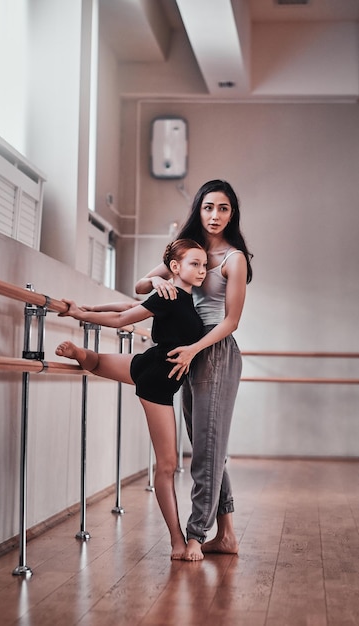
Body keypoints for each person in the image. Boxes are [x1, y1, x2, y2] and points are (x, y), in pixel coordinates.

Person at [55, 239, 207, 561]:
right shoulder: (171, 295)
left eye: (205, 265)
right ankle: (177, 542)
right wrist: (81, 314)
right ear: (176, 267)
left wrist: (86, 310)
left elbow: (127, 308)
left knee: (96, 364)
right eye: (195, 263)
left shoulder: (179, 299)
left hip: (148, 364)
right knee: (167, 467)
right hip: (158, 385)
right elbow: (124, 319)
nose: (202, 270)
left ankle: (82, 354)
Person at [135, 179, 253, 561]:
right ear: (198, 210)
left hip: (212, 351)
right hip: (188, 352)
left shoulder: (234, 259)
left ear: (232, 213)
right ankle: (228, 534)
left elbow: (231, 321)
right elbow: (140, 286)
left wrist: (194, 350)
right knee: (207, 445)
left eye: (222, 208)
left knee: (206, 448)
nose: (214, 215)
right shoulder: (190, 251)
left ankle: (195, 536)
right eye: (208, 207)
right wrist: (157, 279)